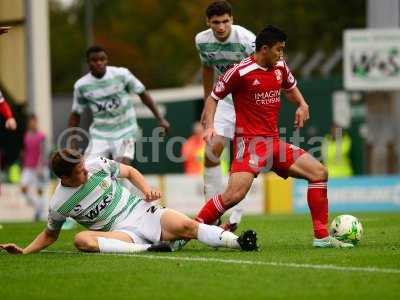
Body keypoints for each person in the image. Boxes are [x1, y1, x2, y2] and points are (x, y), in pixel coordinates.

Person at [197, 25, 354, 248]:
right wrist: (210, 126)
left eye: (283, 50)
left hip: (273, 142)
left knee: (319, 172)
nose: (281, 54)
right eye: (278, 50)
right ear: (264, 49)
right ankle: (193, 226)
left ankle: (321, 237)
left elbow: (290, 88)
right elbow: (214, 97)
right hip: (250, 144)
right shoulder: (239, 72)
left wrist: (301, 104)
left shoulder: (279, 66)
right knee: (233, 196)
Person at [0, 149, 258, 254]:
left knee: (188, 226)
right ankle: (154, 248)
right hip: (121, 235)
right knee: (81, 240)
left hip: (141, 211)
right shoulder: (59, 203)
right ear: (65, 177)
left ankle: (238, 242)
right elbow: (49, 234)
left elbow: (130, 172)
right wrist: (24, 251)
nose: (86, 172)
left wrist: (146, 190)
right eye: (79, 172)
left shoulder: (96, 164)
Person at [195, 0, 255, 231]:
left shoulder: (247, 40)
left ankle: (236, 217)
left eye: (225, 21)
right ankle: (212, 212)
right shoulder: (201, 40)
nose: (221, 27)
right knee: (212, 150)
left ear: (232, 19)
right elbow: (207, 69)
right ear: (208, 23)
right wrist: (207, 104)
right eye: (216, 22)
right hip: (224, 101)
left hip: (249, 103)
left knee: (244, 159)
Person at [68, 46, 170, 180]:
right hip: (100, 134)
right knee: (87, 170)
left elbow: (143, 94)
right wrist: (72, 142)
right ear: (88, 63)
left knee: (122, 169)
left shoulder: (121, 75)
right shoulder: (81, 86)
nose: (99, 63)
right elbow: (76, 114)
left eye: (102, 59)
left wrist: (160, 118)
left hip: (125, 130)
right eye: (94, 60)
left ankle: (124, 198)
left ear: (107, 60)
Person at [20, 114, 48, 221]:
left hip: (39, 167)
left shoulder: (41, 136)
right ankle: (37, 208)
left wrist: (40, 166)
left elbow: (43, 151)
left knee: (40, 191)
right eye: (31, 122)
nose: (33, 123)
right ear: (29, 123)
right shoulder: (26, 135)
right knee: (23, 188)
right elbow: (26, 152)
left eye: (34, 121)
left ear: (37, 122)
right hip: (28, 167)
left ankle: (39, 214)